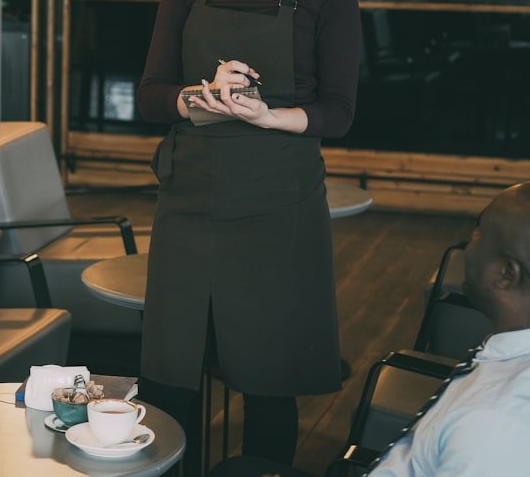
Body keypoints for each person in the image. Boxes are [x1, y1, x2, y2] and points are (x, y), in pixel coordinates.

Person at [137, 0, 361, 473]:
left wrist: (267, 116)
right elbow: (151, 93)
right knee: (170, 371)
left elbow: (338, 113)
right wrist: (197, 96)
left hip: (278, 204)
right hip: (190, 200)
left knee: (269, 375)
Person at [211, 181, 530, 476]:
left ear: (506, 274)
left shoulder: (495, 424)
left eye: (479, 233)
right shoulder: (507, 360)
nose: (466, 245)